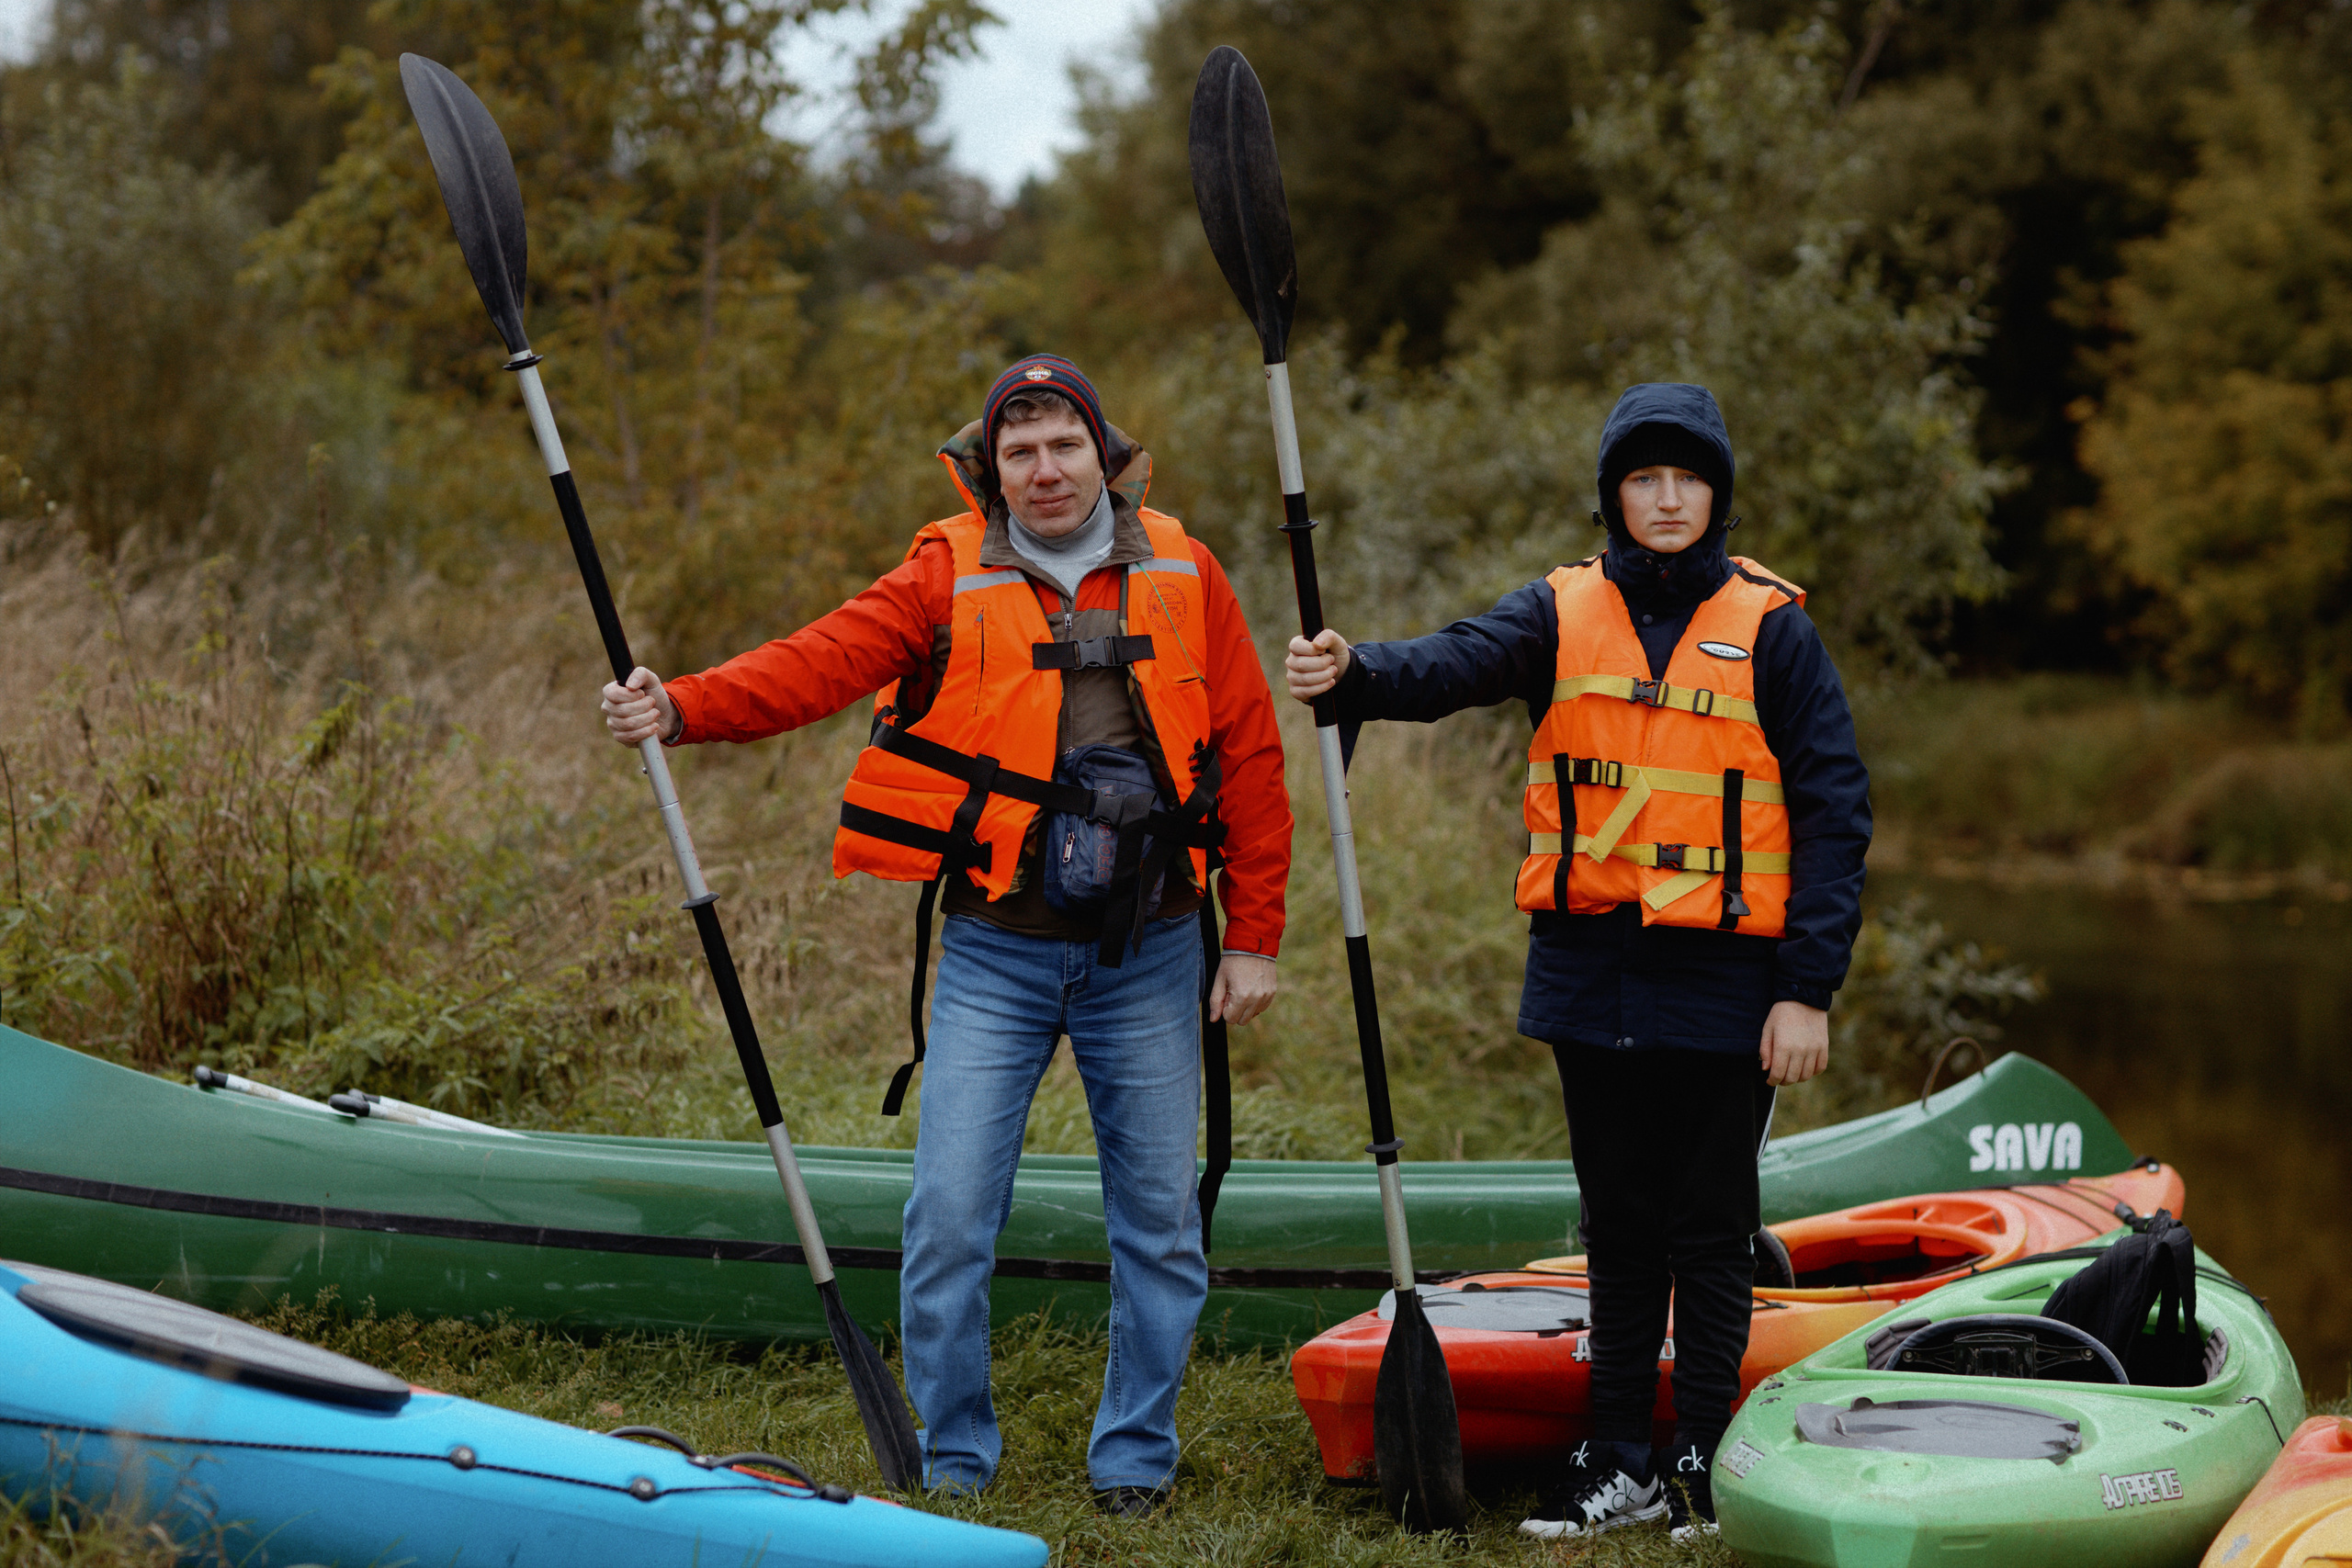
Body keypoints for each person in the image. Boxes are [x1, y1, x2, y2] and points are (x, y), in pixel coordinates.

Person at [602, 355, 1292, 1517]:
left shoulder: (1186, 568)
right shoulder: (944, 571)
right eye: (1019, 452)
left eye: (1064, 445)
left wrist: (1255, 934)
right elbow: (820, 661)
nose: (1045, 470)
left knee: (1161, 1223)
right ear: (992, 470)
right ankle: (957, 1458)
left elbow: (1254, 752)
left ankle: (1132, 1459)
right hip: (997, 947)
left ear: (1104, 455)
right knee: (950, 1216)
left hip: (1158, 943)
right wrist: (683, 707)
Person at [1284, 382, 1870, 1541]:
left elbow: (1835, 813)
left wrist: (1805, 989)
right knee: (1618, 1224)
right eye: (1641, 479)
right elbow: (1457, 664)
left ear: (1715, 495)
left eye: (1685, 479)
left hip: (1725, 982)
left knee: (1708, 1228)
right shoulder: (1560, 610)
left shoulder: (1775, 629)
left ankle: (1699, 1460)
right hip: (1590, 971)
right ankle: (1618, 1461)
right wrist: (1355, 676)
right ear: (1612, 495)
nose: (1664, 498)